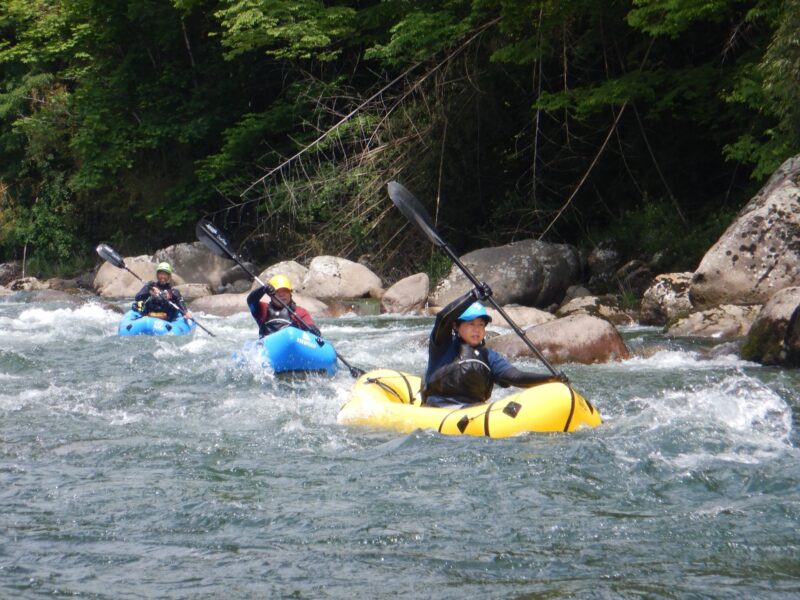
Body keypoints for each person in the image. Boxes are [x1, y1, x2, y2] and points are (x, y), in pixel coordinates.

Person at [422, 283, 566, 407]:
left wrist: (549, 379)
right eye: (471, 324)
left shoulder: (489, 356)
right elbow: (443, 318)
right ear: (456, 326)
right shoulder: (443, 345)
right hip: (439, 406)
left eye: (481, 325)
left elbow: (515, 376)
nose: (477, 329)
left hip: (473, 410)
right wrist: (473, 295)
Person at [247, 274, 321, 338]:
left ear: (290, 293)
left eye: (285, 291)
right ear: (270, 294)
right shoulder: (262, 309)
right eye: (277, 291)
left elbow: (309, 325)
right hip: (267, 346)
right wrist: (262, 289)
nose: (282, 294)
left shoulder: (300, 312)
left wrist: (312, 329)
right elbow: (251, 300)